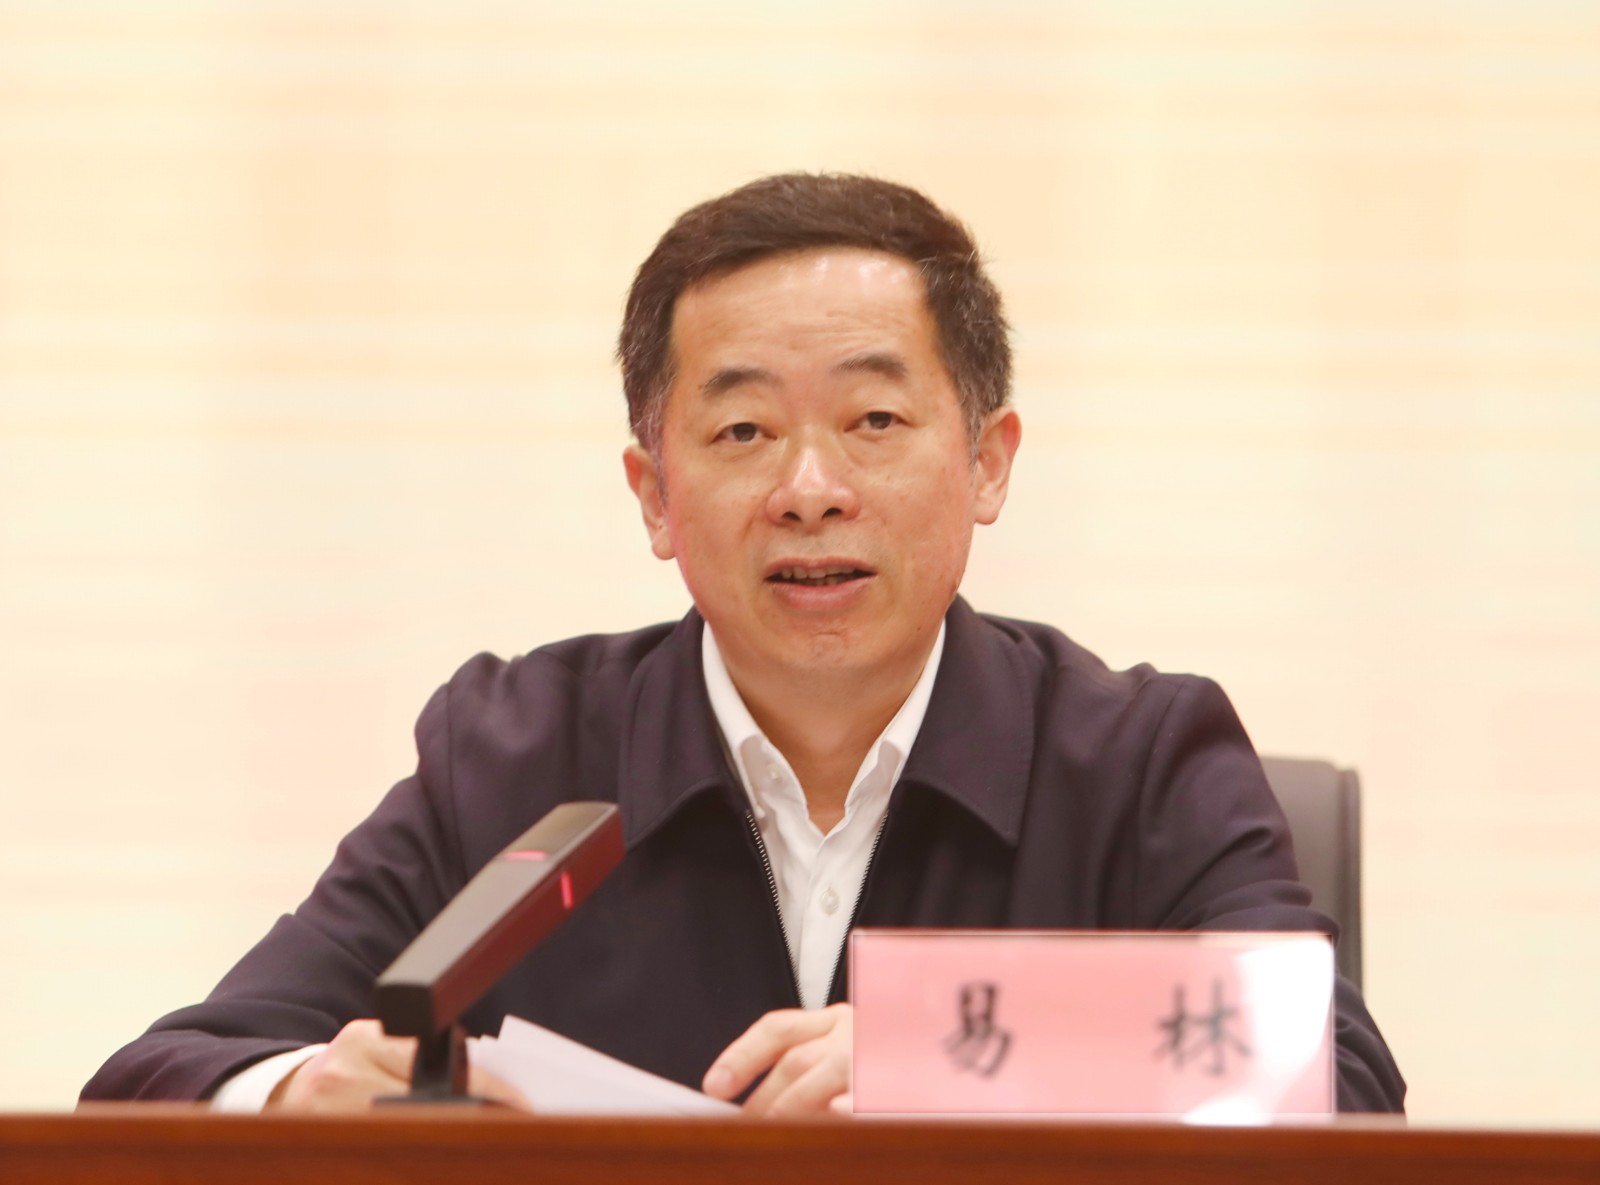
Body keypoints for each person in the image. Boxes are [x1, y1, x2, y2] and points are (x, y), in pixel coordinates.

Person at [81, 173, 1405, 1114]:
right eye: (742, 432)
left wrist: (950, 1056)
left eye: (875, 421)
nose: (810, 488)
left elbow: (1338, 1082)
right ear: (655, 495)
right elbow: (163, 1076)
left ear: (988, 461)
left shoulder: (1137, 760)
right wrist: (299, 1090)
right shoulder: (515, 755)